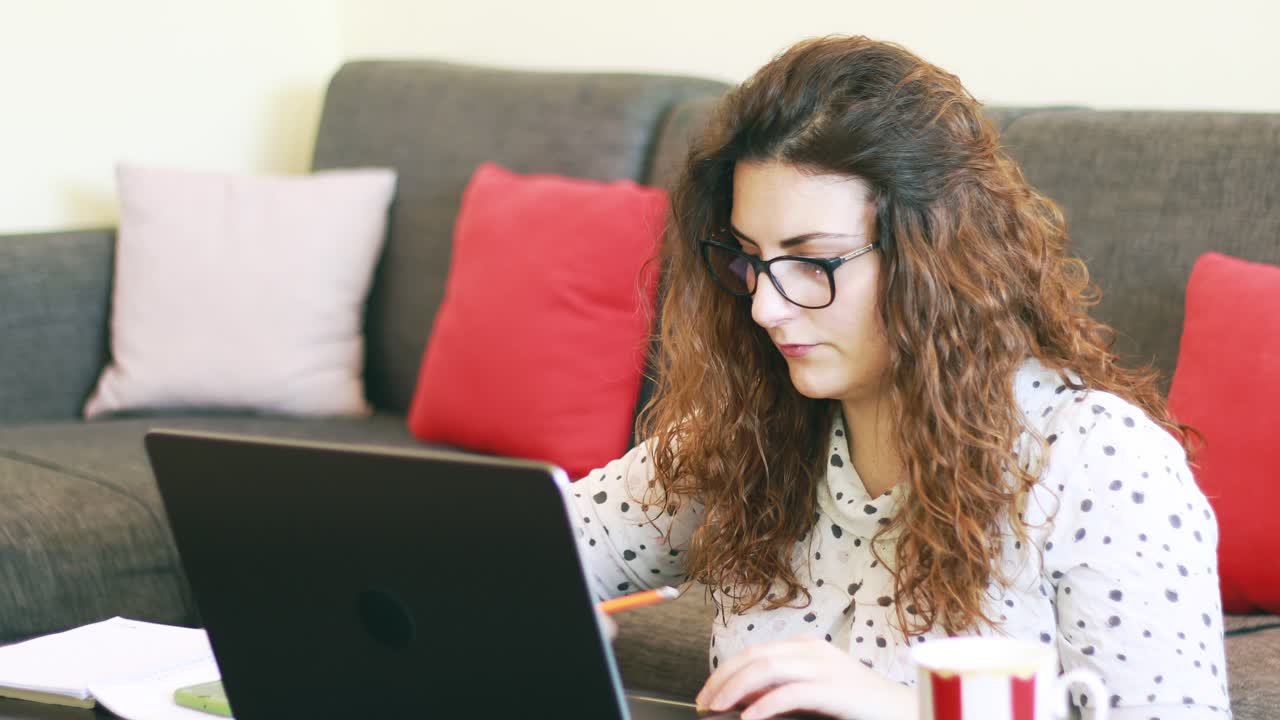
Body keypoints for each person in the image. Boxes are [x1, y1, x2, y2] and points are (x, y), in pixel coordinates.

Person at [570, 35, 1229, 720]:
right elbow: (538, 546)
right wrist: (542, 605)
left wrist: (907, 709)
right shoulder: (748, 431)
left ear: (935, 256)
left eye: (813, 262)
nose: (765, 307)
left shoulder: (1098, 460)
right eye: (750, 258)